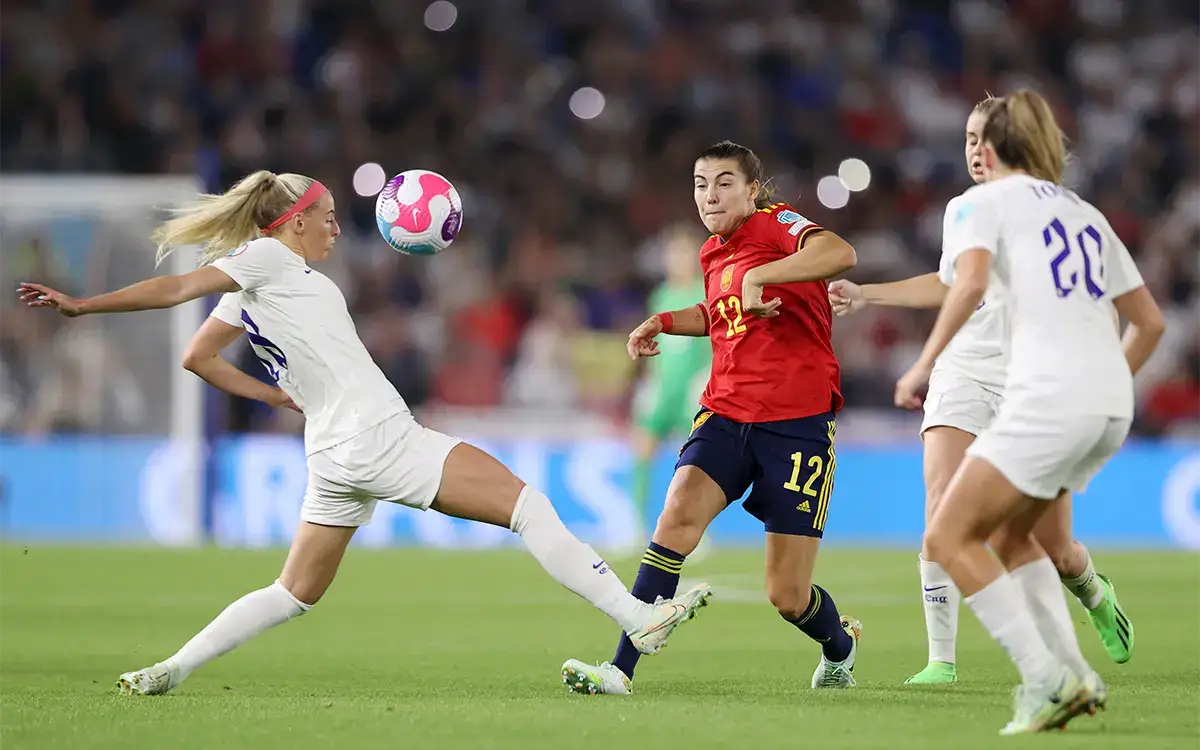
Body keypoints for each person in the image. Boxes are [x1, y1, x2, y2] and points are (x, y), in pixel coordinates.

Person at [16, 170, 713, 696]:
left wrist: (282, 399)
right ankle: (635, 616)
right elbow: (173, 292)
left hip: (333, 449)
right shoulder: (262, 262)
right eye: (325, 216)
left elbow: (195, 357)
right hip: (376, 435)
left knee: (294, 592)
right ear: (291, 222)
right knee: (527, 505)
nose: (336, 228)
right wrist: (83, 305)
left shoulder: (258, 284)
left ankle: (174, 667)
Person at [829, 96, 1134, 685]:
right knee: (940, 503)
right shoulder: (964, 209)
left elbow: (1103, 307)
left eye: (982, 138)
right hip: (964, 368)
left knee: (1053, 546)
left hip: (1031, 381)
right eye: (967, 137)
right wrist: (867, 294)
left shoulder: (1061, 215)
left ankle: (1092, 591)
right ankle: (941, 660)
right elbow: (952, 285)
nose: (972, 148)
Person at [891, 90, 1165, 734]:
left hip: (1047, 396)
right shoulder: (1083, 212)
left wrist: (923, 361)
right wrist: (1105, 386)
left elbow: (971, 282)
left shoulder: (981, 204)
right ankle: (1078, 677)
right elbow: (1150, 323)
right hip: (1106, 405)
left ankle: (1045, 680)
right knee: (1017, 537)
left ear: (988, 148)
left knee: (947, 536)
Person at [561, 140, 860, 696]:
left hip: (798, 423)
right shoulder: (710, 253)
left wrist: (762, 277)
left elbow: (841, 253)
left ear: (751, 190)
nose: (710, 194)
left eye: (724, 182)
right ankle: (619, 671)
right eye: (701, 184)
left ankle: (839, 645)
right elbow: (721, 316)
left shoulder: (776, 225)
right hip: (725, 412)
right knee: (674, 520)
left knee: (788, 596)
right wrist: (664, 321)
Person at [628, 224, 711, 545]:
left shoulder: (704, 293)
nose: (679, 260)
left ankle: (695, 531)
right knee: (642, 448)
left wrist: (706, 378)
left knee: (695, 464)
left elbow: (719, 343)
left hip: (692, 388)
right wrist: (648, 383)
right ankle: (635, 525)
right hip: (663, 388)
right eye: (673, 254)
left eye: (684, 254)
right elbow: (654, 344)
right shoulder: (660, 295)